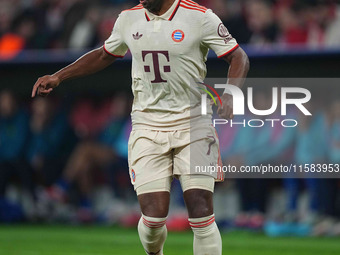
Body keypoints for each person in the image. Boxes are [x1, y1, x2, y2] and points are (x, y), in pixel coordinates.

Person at [32, 0, 249, 254]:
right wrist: (59, 76)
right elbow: (104, 54)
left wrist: (232, 93)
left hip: (194, 124)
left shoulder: (200, 17)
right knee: (154, 219)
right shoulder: (128, 19)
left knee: (200, 207)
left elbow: (238, 56)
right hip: (148, 125)